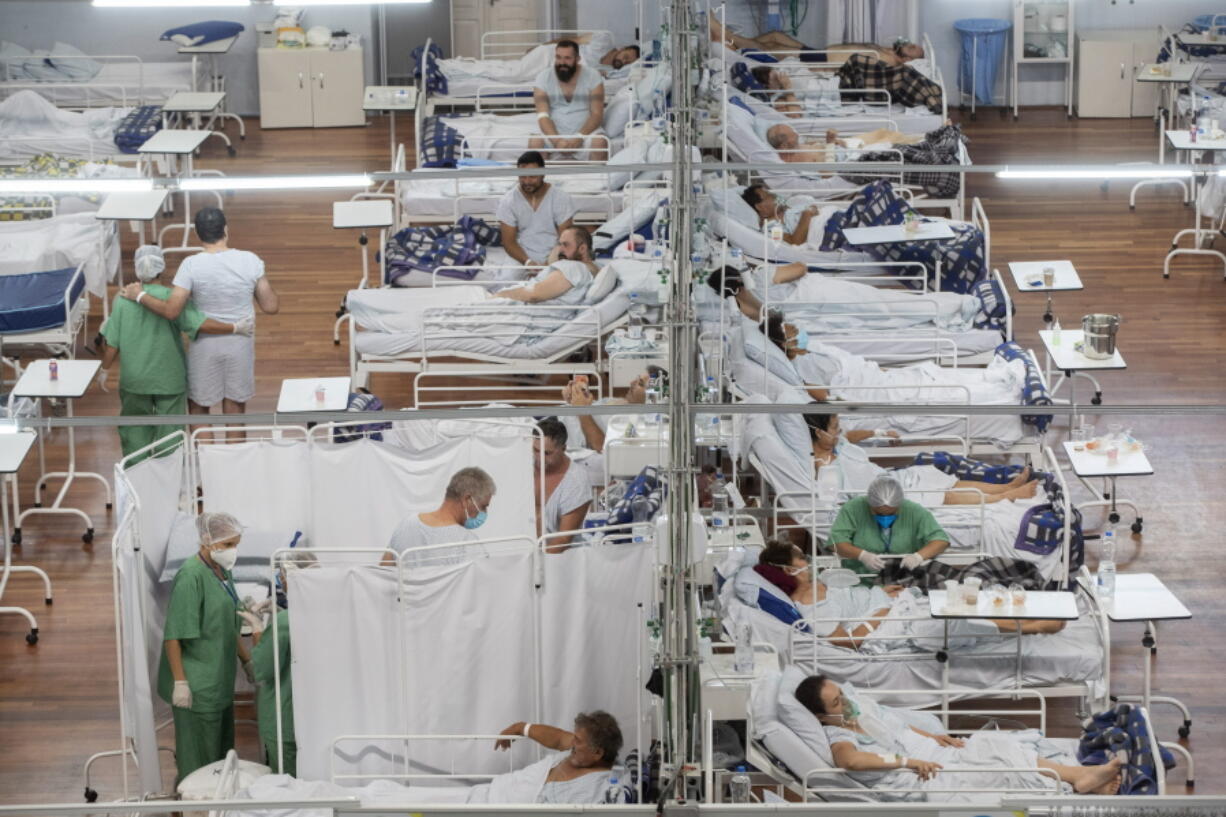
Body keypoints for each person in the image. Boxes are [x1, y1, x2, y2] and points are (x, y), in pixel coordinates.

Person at [794, 674, 1121, 795]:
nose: (847, 702)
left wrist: (934, 737)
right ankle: (1076, 782)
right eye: (838, 701)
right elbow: (850, 761)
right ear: (823, 715)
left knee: (994, 742)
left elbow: (898, 724)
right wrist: (907, 761)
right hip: (927, 774)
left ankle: (1078, 777)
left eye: (842, 693)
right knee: (998, 771)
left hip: (937, 753)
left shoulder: (859, 712)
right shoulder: (838, 736)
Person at [121, 208, 280, 432]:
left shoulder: (191, 265)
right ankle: (234, 463)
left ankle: (205, 464)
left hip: (204, 347)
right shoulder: (250, 261)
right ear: (226, 229)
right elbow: (271, 305)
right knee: (235, 410)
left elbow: (172, 311)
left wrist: (139, 295)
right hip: (240, 345)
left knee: (198, 408)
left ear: (198, 234)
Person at [100, 245, 250, 459]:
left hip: (135, 380)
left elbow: (112, 343)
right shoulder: (172, 299)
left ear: (136, 268)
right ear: (162, 267)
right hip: (168, 378)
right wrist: (235, 327)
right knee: (170, 435)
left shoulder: (122, 299)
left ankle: (137, 481)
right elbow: (200, 324)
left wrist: (104, 369)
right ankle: (167, 481)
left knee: (134, 431)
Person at [755, 541, 1065, 641]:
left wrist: (882, 593)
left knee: (962, 587)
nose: (807, 561)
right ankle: (1033, 626)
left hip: (895, 597)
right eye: (801, 558)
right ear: (786, 570)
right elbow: (848, 642)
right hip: (889, 619)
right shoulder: (809, 607)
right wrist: (882, 610)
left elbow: (853, 595)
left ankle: (1025, 600)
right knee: (953, 617)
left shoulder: (818, 584)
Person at [157, 511, 251, 782]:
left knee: (221, 755)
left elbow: (227, 622)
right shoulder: (191, 577)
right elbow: (173, 636)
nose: (233, 551)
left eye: (236, 544)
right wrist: (180, 683)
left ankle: (216, 804)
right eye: (229, 545)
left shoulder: (221, 571)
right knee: (198, 761)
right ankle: (195, 806)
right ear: (207, 540)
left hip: (218, 681)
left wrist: (246, 661)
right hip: (196, 687)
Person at [808, 414, 1038, 510]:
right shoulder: (826, 469)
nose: (839, 431)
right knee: (943, 495)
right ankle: (1008, 496)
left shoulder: (839, 444)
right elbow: (834, 506)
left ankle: (1006, 487)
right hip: (884, 496)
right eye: (834, 428)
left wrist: (879, 431)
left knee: (949, 481)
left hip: (892, 478)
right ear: (819, 433)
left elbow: (850, 436)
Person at [244, 550, 317, 777]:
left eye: (282, 578)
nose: (280, 583)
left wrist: (258, 629)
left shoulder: (284, 623)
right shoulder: (326, 613)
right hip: (317, 717)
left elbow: (260, 670)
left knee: (288, 785)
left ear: (292, 579)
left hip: (285, 720)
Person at [830, 474, 950, 580]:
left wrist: (918, 557)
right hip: (861, 579)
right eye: (879, 513)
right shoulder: (853, 509)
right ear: (869, 504)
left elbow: (940, 540)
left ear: (900, 504)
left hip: (903, 577)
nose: (885, 517)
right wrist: (862, 555)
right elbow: (835, 542)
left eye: (892, 513)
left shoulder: (914, 511)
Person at [494, 711, 624, 803]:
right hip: (498, 790)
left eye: (577, 740)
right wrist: (521, 728)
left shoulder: (598, 788)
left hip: (499, 808)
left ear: (598, 753)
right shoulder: (583, 753)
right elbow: (559, 738)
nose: (572, 742)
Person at [381, 467, 496, 567]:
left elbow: (384, 573)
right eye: (483, 506)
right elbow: (482, 588)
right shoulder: (468, 544)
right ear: (467, 500)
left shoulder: (405, 525)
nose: (484, 513)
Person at [530, 40, 608, 161]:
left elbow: (597, 114)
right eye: (558, 57)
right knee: (535, 142)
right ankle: (540, 179)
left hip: (585, 132)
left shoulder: (593, 76)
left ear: (577, 59)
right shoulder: (543, 78)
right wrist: (556, 141)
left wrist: (579, 137)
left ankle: (596, 179)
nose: (562, 62)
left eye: (567, 58)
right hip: (554, 132)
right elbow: (542, 116)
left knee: (600, 143)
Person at [497, 151, 577, 268]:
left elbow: (565, 239)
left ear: (543, 174)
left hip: (555, 253)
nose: (527, 181)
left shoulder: (561, 198)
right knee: (507, 280)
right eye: (522, 176)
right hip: (521, 254)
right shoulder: (508, 200)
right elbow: (509, 243)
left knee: (554, 281)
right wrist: (528, 263)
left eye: (532, 176)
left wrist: (549, 264)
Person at [495, 226, 597, 305]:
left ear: (582, 249)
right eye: (559, 244)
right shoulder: (580, 267)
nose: (560, 249)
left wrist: (500, 295)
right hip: (516, 304)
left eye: (565, 245)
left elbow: (534, 295)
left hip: (513, 308)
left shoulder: (573, 268)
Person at [535, 417, 591, 550]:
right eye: (535, 450)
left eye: (547, 453)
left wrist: (538, 566)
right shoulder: (524, 465)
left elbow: (563, 540)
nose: (539, 458)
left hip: (562, 557)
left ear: (564, 448)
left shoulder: (576, 482)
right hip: (527, 549)